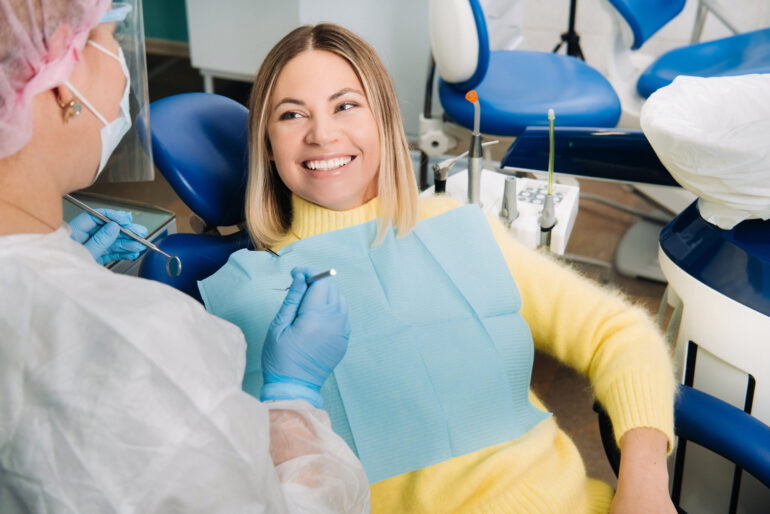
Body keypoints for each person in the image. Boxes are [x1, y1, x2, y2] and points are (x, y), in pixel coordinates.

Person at [200, 24, 678, 513]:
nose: (322, 134)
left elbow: (618, 331)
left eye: (345, 105)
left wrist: (644, 486)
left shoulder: (459, 227)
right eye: (292, 114)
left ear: (383, 120)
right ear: (266, 144)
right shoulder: (251, 296)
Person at [0, 2, 369, 513]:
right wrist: (292, 400)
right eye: (111, 38)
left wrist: (66, 269)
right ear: (63, 81)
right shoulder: (143, 344)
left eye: (346, 105)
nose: (323, 133)